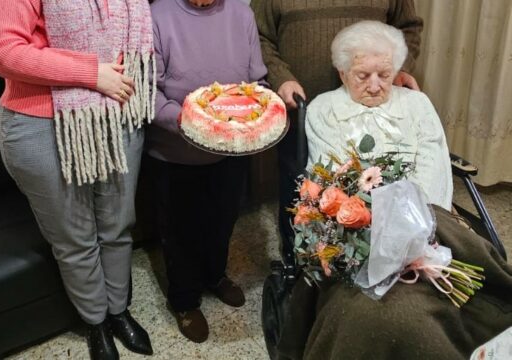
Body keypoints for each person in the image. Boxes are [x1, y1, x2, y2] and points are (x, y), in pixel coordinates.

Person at [275, 21, 512, 360]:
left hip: (429, 223)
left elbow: (433, 170)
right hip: (360, 229)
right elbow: (333, 180)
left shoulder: (417, 104)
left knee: (473, 300)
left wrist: (415, 231)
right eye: (362, 75)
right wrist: (377, 229)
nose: (375, 86)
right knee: (377, 315)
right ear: (342, 73)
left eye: (384, 75)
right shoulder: (325, 109)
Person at [0, 1, 155, 359]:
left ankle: (118, 313)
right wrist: (91, 73)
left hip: (118, 110)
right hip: (42, 124)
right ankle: (96, 324)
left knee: (117, 227)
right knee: (75, 240)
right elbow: (2, 51)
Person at [251, 0, 424, 258]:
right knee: (300, 190)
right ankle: (296, 262)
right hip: (301, 111)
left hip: (370, 111)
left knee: (369, 191)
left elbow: (408, 27)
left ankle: (369, 261)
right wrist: (280, 77)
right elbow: (258, 36)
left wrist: (396, 69)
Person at [148, 0, 267, 343]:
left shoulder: (241, 13)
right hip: (177, 151)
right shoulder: (159, 15)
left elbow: (257, 78)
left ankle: (215, 275)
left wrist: (258, 111)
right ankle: (184, 300)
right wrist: (188, 121)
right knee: (180, 229)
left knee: (223, 218)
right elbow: (148, 91)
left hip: (232, 148)